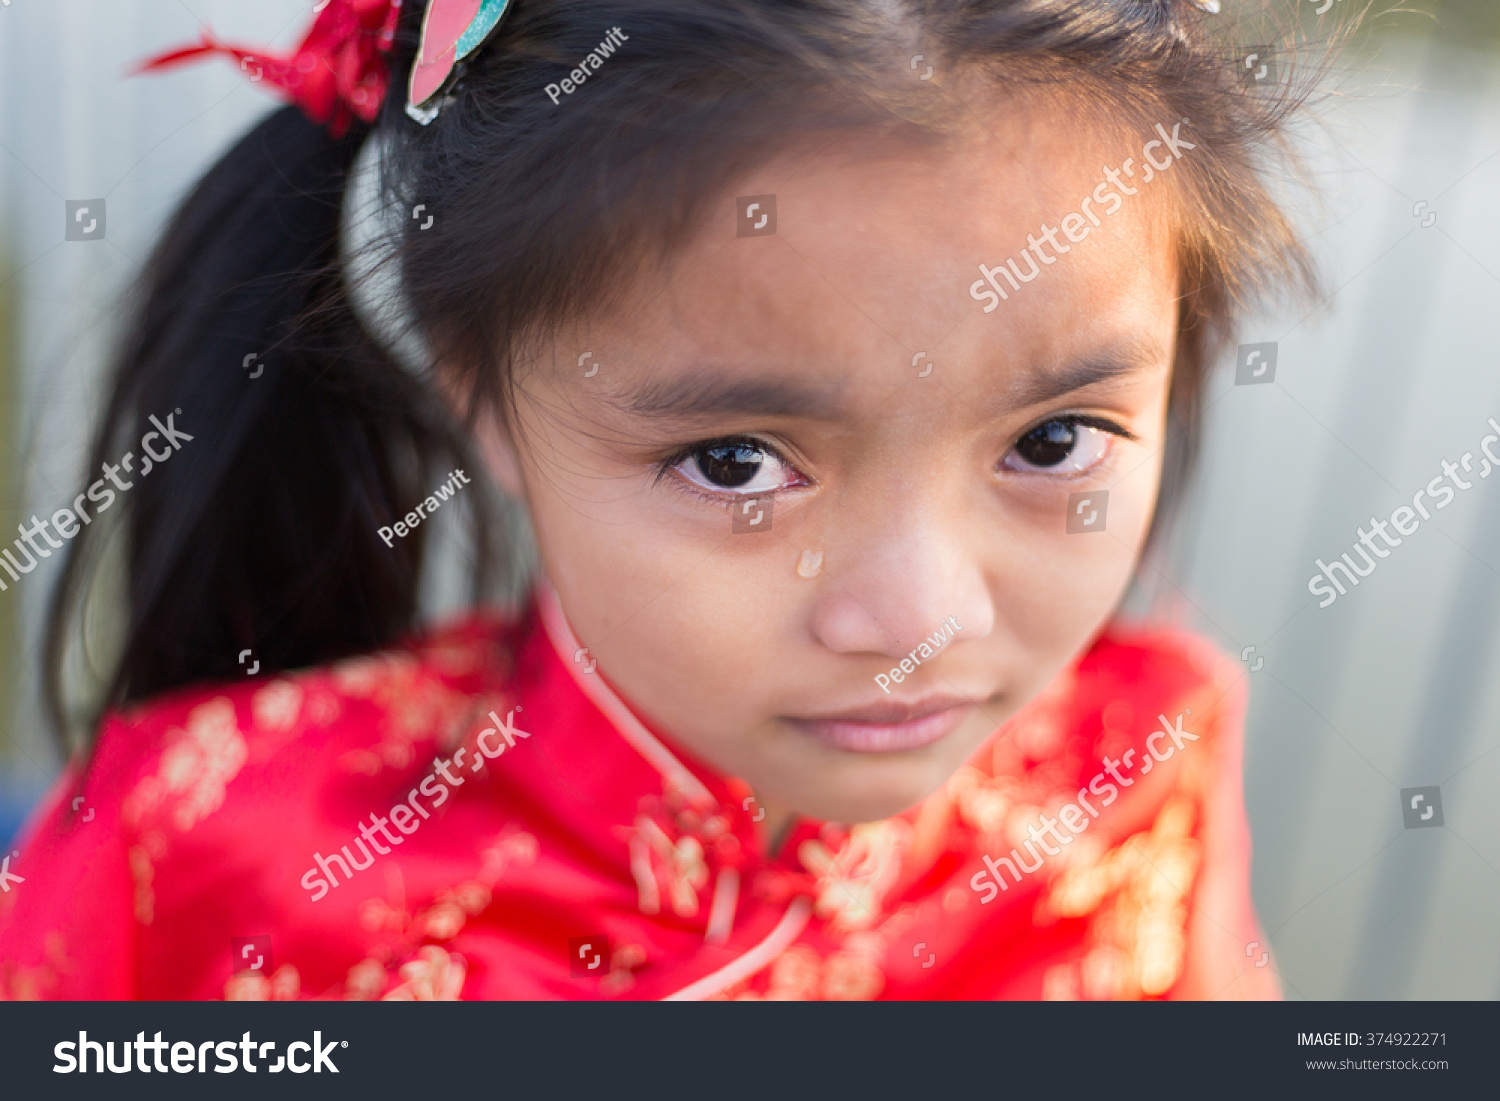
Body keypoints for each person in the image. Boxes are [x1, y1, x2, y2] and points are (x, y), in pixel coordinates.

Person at [0, 0, 1316, 1000]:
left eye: (1055, 439)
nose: (920, 614)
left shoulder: (1150, 768)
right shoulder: (191, 852)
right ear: (485, 392)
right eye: (738, 462)